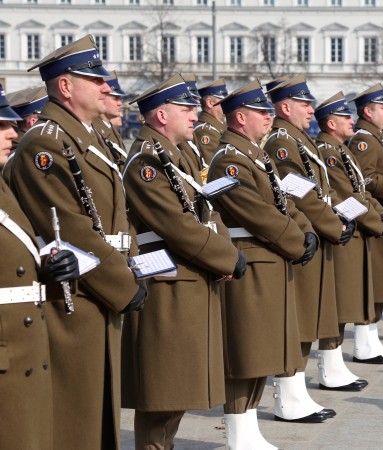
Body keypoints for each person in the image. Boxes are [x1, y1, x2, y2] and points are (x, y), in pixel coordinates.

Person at [9, 34, 145, 450]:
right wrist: (124, 283)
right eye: (95, 78)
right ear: (65, 86)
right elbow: (70, 228)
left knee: (97, 414)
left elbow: (115, 219)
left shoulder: (84, 137)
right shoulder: (46, 142)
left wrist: (132, 267)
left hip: (99, 293)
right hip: (76, 297)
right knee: (76, 420)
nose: (107, 87)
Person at [121, 74, 245, 450]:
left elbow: (204, 211)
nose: (197, 114)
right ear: (160, 115)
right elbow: (176, 225)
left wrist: (221, 253)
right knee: (163, 392)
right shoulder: (147, 160)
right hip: (168, 282)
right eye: (186, 108)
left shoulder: (175, 154)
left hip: (188, 276)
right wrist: (226, 255)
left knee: (173, 392)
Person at [207, 80, 315, 449]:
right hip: (252, 259)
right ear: (239, 118)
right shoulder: (228, 160)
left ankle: (250, 427)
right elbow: (256, 212)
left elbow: (285, 198)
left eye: (270, 111)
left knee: (262, 348)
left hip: (270, 257)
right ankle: (239, 431)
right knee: (246, 351)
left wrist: (304, 228)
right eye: (262, 112)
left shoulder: (254, 154)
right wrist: (296, 237)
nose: (270, 117)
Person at [0, 84, 81, 450]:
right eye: (0, 126)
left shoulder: (4, 187)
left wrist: (49, 271)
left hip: (23, 353)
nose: (12, 134)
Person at [264, 75, 346, 423]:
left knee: (310, 316)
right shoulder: (282, 142)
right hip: (302, 235)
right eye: (304, 104)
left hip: (314, 229)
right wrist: (330, 224)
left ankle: (297, 393)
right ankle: (289, 396)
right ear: (285, 107)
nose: (311, 111)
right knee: (298, 320)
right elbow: (298, 193)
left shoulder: (298, 138)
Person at [313, 91, 383, 388]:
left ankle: (336, 364)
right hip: (343, 229)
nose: (352, 120)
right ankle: (330, 368)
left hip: (353, 229)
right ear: (331, 123)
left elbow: (361, 189)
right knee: (339, 303)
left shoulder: (340, 149)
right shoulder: (329, 151)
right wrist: (372, 220)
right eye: (345, 117)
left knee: (347, 302)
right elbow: (344, 194)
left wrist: (379, 215)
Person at [347, 84, 383, 363]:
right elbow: (364, 180)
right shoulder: (365, 141)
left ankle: (371, 338)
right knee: (376, 280)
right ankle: (365, 341)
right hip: (374, 215)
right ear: (367, 111)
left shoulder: (376, 137)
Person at [93, 71, 129, 168]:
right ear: (102, 97)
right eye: (115, 98)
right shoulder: (95, 131)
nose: (120, 103)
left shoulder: (109, 129)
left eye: (120, 98)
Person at [195, 78, 228, 163]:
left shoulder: (221, 124)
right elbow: (214, 166)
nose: (228, 103)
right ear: (210, 103)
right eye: (224, 101)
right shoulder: (205, 131)